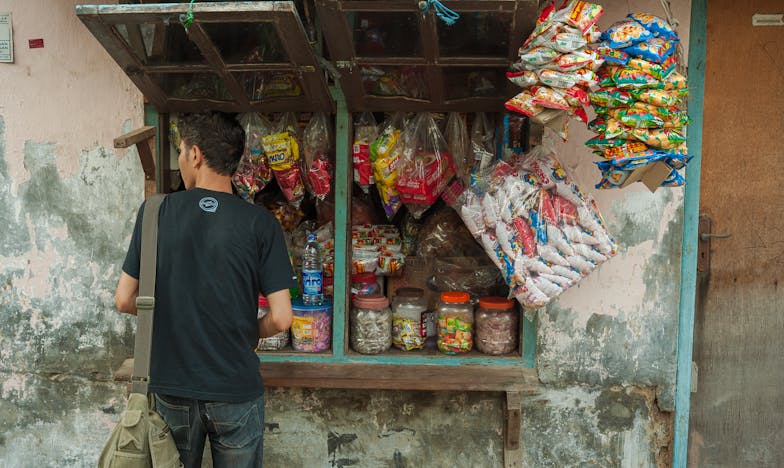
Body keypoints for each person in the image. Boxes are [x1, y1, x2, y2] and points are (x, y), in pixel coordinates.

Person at [114, 112, 295, 467]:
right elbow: (283, 318)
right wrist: (250, 331)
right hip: (236, 390)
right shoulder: (261, 224)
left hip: (171, 387)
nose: (181, 161)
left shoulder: (155, 212)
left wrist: (174, 312)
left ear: (194, 155)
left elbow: (124, 300)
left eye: (181, 152)